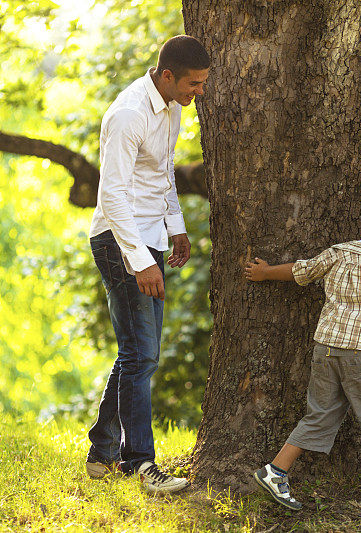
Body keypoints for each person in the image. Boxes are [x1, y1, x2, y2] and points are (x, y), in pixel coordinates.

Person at [85, 35, 210, 493]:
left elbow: (163, 172)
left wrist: (175, 225)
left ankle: (102, 452)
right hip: (120, 243)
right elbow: (112, 195)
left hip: (150, 239)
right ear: (167, 74)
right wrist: (140, 260)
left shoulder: (173, 107)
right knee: (144, 356)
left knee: (137, 353)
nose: (199, 91)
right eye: (193, 83)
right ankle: (140, 464)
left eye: (202, 84)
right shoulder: (128, 114)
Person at [246, 190, 361, 512]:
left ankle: (275, 471)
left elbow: (301, 271)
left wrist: (266, 272)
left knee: (320, 414)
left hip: (326, 349)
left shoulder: (339, 252)